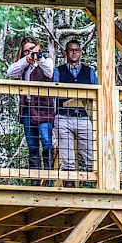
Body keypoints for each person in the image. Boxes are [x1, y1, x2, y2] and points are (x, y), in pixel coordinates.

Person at [6, 37, 55, 186]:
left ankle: (49, 180)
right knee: (32, 147)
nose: (30, 52)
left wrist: (38, 57)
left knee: (47, 144)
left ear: (38, 48)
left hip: (44, 110)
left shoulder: (46, 61)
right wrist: (26, 59)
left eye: (32, 48)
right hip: (27, 110)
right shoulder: (23, 66)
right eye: (26, 50)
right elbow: (10, 72)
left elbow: (49, 71)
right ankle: (35, 181)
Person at [53, 38, 98, 188]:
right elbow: (54, 94)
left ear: (81, 52)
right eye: (71, 50)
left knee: (92, 155)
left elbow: (96, 95)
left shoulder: (90, 72)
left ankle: (99, 186)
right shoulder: (58, 71)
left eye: (76, 50)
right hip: (63, 117)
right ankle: (69, 188)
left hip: (84, 118)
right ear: (65, 53)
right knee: (67, 159)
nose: (74, 53)